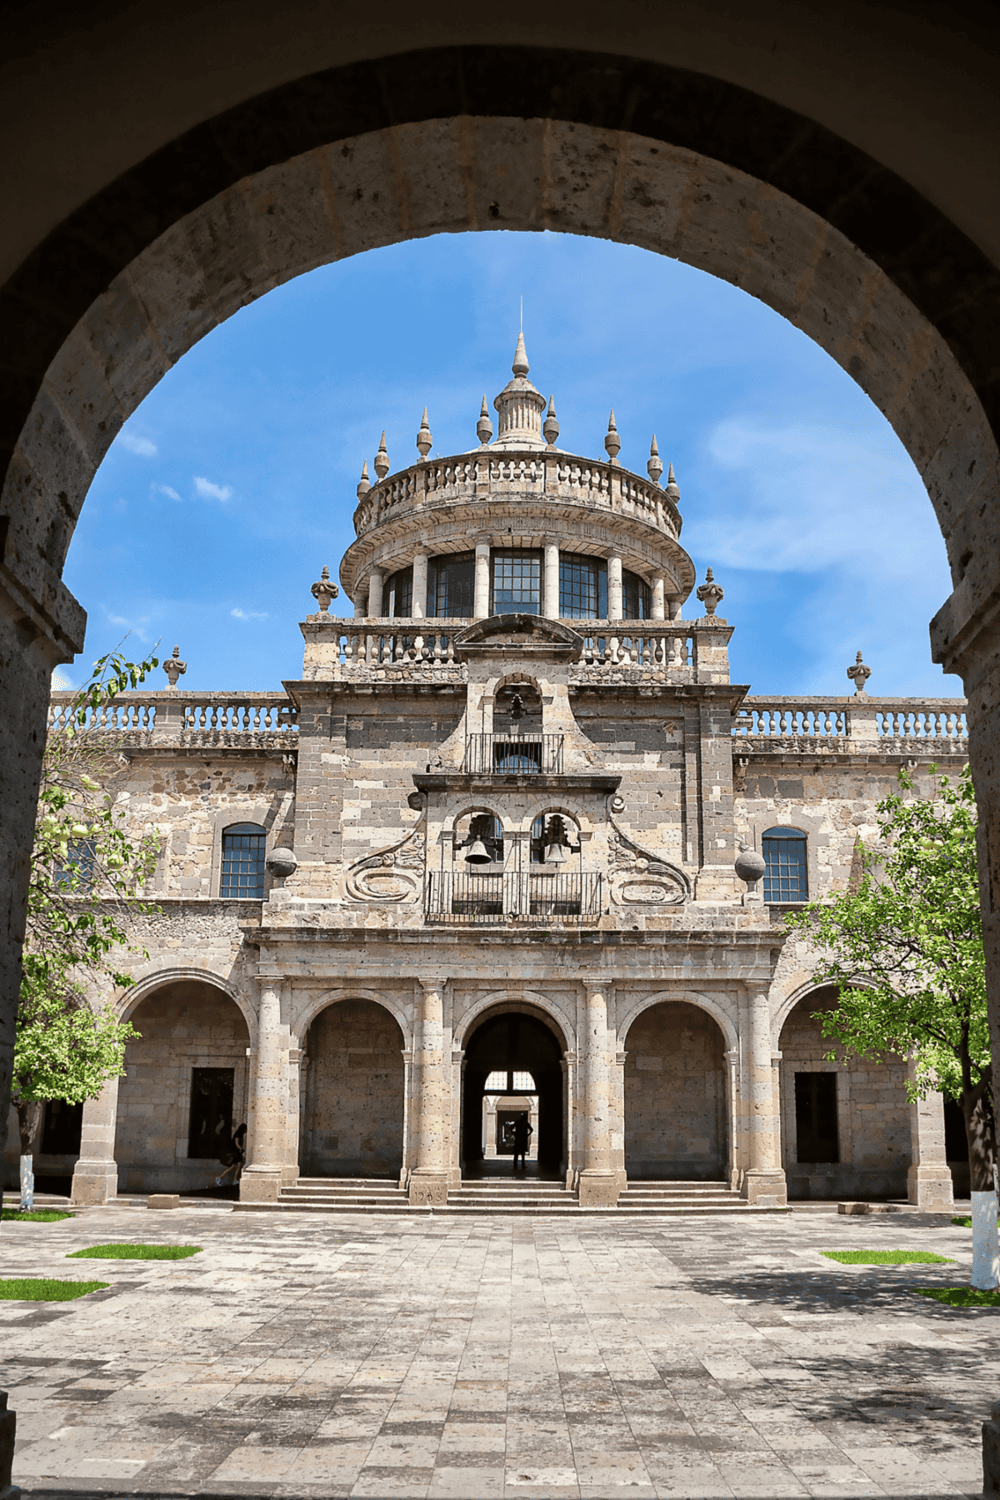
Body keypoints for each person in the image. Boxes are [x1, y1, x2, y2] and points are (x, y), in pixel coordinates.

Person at [215, 1122, 247, 1187]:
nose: (246, 1131)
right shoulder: (237, 1134)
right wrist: (242, 1150)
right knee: (233, 1166)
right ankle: (220, 1178)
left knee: (238, 1166)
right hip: (235, 1152)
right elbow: (236, 1144)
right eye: (245, 1129)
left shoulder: (240, 1135)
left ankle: (234, 1180)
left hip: (237, 1152)